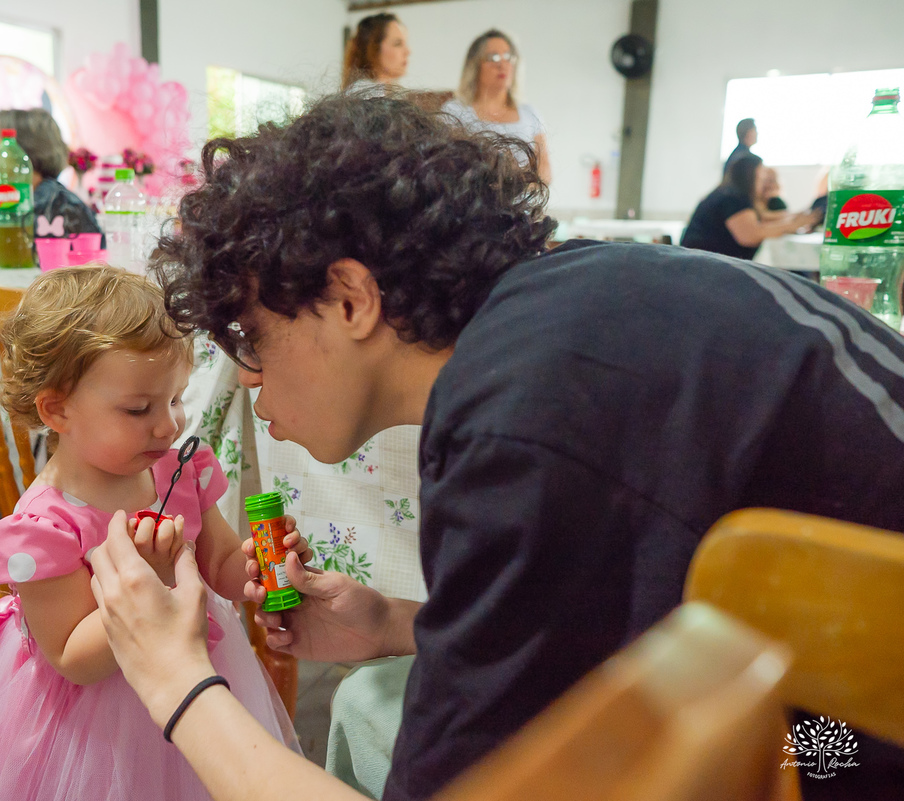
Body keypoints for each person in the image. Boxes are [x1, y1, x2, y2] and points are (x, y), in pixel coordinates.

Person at [86, 93, 904, 801]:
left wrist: (173, 676)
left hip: (842, 751)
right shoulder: (572, 308)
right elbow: (612, 617)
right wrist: (398, 622)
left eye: (255, 339)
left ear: (348, 297)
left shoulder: (517, 422)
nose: (252, 381)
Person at [0, 266, 302, 801]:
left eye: (176, 398)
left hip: (196, 686)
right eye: (139, 409)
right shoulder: (42, 529)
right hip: (93, 726)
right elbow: (72, 658)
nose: (169, 425)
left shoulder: (178, 469)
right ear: (57, 408)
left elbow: (221, 563)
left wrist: (254, 566)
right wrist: (147, 584)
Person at [440, 30, 551, 184]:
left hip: (522, 205)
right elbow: (446, 167)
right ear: (475, 65)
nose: (502, 64)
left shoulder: (530, 113)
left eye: (508, 57)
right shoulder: (454, 111)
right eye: (493, 57)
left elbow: (545, 171)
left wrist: (519, 188)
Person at [681, 154, 820, 260]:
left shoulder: (727, 194)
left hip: (701, 262)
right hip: (704, 266)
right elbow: (751, 235)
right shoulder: (732, 198)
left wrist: (795, 218)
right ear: (750, 177)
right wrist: (791, 225)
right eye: (761, 179)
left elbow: (763, 219)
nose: (763, 184)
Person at [342, 13, 410, 94]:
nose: (407, 51)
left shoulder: (386, 93)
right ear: (374, 49)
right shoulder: (364, 94)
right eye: (397, 44)